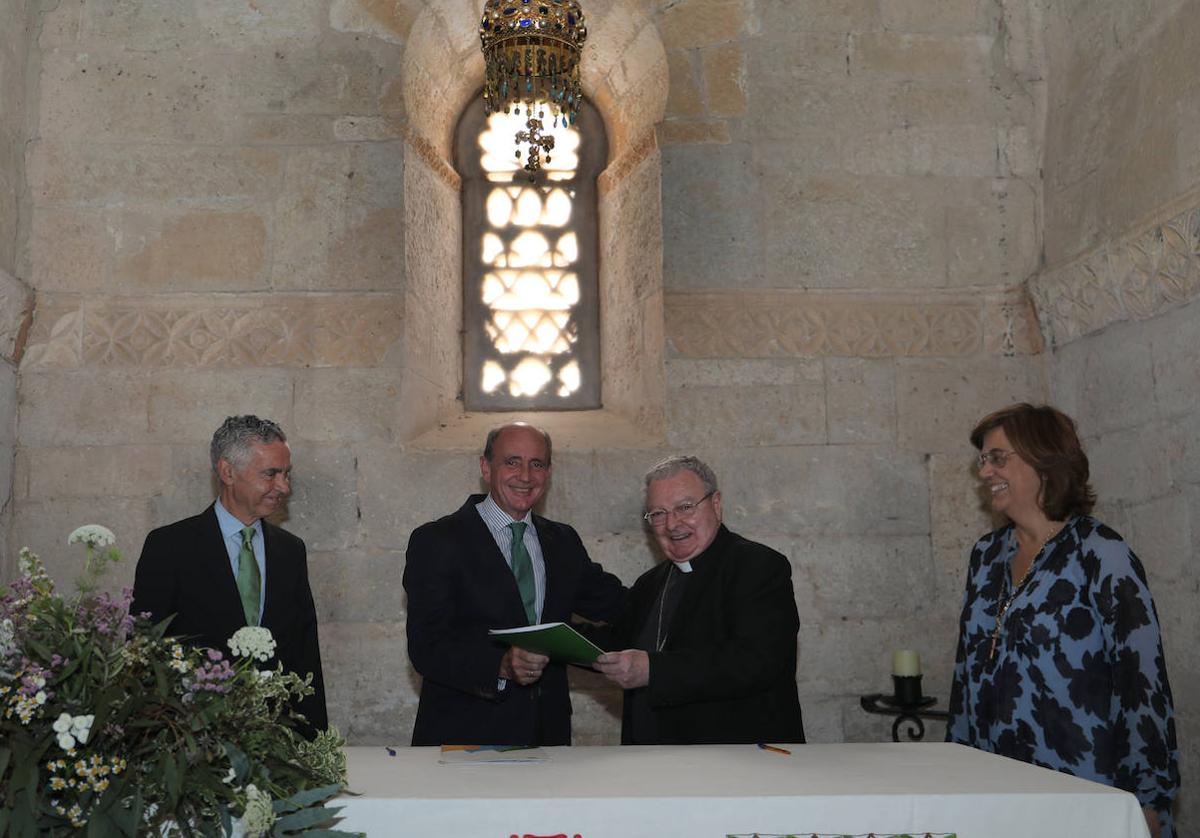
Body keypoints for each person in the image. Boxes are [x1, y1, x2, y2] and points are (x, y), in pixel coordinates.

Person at [946, 404, 1178, 838]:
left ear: (1045, 461)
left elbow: (1141, 683)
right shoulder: (986, 556)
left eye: (998, 458)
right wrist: (954, 771)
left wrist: (1147, 799)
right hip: (992, 791)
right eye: (983, 460)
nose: (985, 472)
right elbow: (966, 675)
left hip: (1084, 790)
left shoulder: (1099, 553)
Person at [403, 422, 626, 746]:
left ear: (548, 473)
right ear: (485, 467)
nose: (525, 475)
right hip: (464, 739)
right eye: (512, 461)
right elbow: (427, 647)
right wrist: (501, 665)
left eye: (537, 464)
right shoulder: (437, 541)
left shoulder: (563, 541)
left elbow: (617, 604)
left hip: (547, 738)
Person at [131, 415, 327, 734]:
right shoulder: (169, 547)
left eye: (286, 474)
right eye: (270, 474)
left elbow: (306, 656)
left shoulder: (291, 551)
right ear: (227, 472)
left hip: (277, 741)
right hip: (192, 741)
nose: (283, 487)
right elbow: (144, 653)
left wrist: (314, 740)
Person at [592, 455, 804, 745]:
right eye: (658, 513)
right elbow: (619, 644)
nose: (672, 524)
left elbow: (757, 661)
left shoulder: (758, 566)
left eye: (685, 507)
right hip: (651, 762)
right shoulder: (650, 583)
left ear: (715, 504)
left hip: (739, 762)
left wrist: (653, 670)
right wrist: (549, 641)